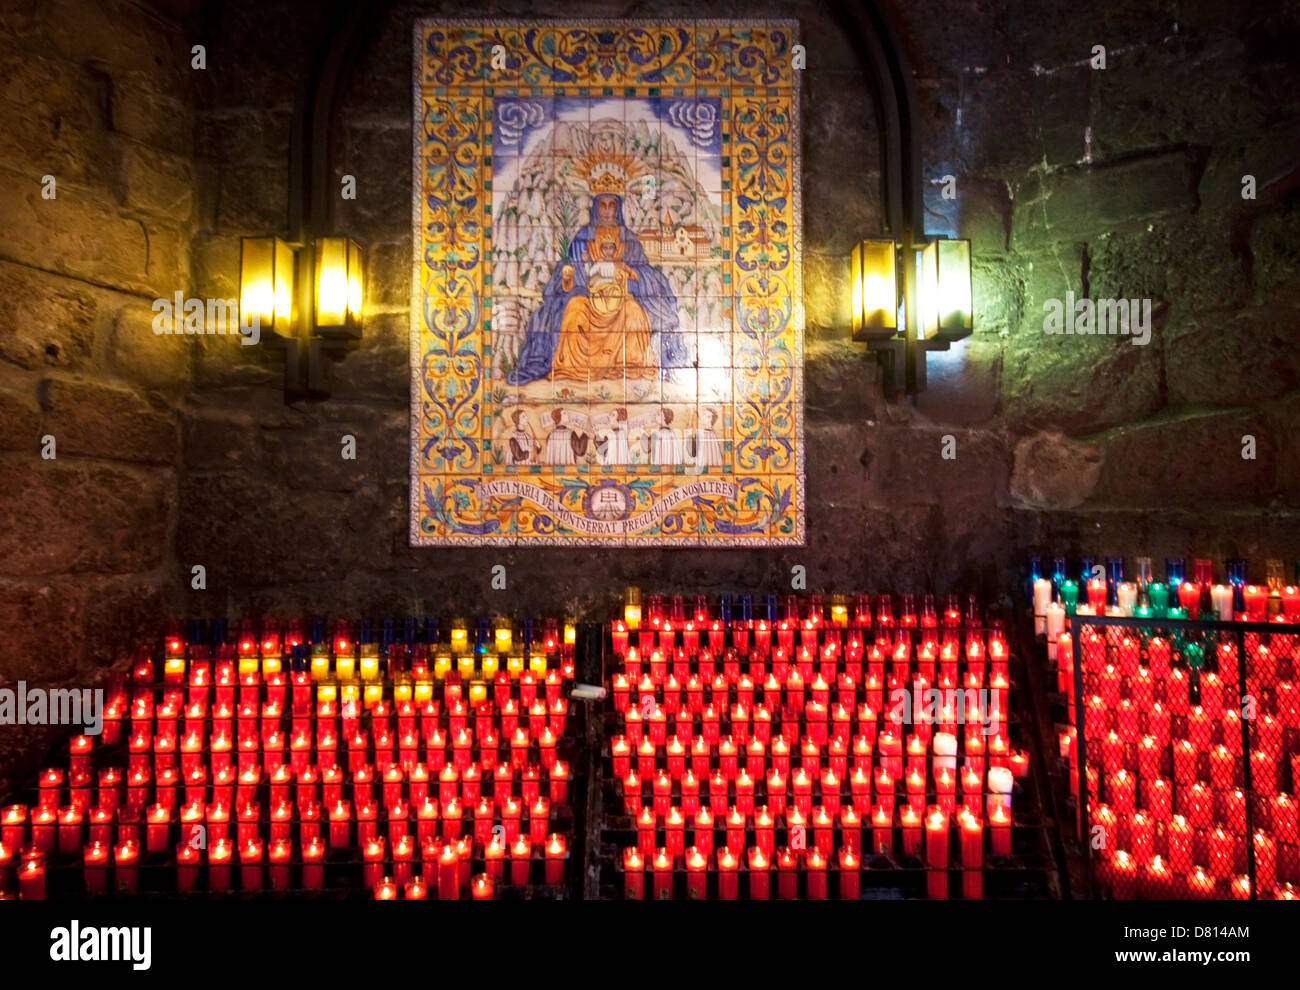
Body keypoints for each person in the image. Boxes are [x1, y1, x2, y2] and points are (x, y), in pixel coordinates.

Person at [506, 192, 690, 385]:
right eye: (603, 205)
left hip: (620, 297)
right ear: (595, 208)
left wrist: (623, 277)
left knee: (635, 313)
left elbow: (643, 272)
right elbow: (574, 274)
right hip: (590, 296)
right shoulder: (582, 238)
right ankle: (572, 369)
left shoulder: (629, 239)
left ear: (618, 209)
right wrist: (569, 276)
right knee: (574, 309)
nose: (607, 211)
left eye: (612, 205)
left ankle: (629, 367)